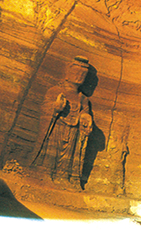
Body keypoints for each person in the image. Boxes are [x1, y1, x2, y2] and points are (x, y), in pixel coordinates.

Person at [34, 56, 93, 187]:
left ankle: (64, 177)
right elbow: (45, 107)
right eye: (76, 72)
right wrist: (55, 107)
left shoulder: (83, 98)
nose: (79, 76)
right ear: (67, 73)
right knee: (52, 152)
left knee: (69, 156)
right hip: (57, 127)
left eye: (83, 75)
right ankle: (45, 174)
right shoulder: (55, 91)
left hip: (73, 131)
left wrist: (86, 117)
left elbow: (85, 112)